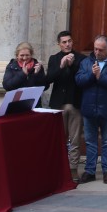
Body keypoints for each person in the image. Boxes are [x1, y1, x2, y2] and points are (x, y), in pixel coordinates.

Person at [75, 35, 107, 184]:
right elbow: (78, 80)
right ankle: (90, 171)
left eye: (101, 49)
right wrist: (92, 75)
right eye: (95, 49)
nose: (97, 52)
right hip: (89, 108)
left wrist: (101, 77)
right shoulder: (86, 62)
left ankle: (106, 171)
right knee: (90, 141)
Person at [45, 30, 85, 173]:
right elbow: (48, 80)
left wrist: (72, 65)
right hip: (58, 104)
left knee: (74, 140)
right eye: (64, 42)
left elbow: (82, 78)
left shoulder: (80, 58)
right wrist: (61, 66)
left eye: (69, 41)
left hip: (75, 103)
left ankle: (73, 169)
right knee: (59, 139)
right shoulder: (54, 59)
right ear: (59, 44)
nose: (67, 44)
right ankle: (59, 169)